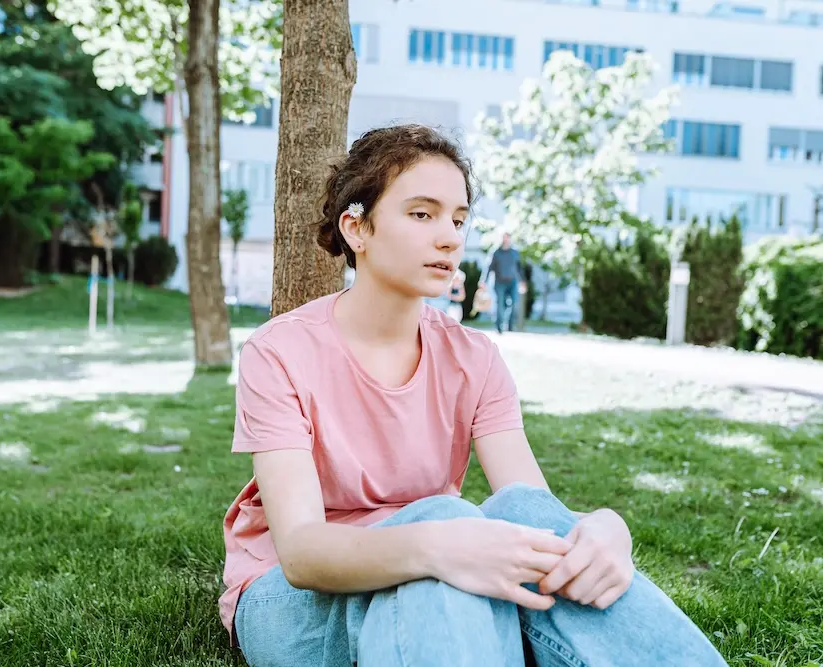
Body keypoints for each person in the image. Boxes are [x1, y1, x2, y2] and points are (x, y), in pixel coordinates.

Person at [219, 124, 728, 667]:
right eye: (422, 214)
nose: (450, 237)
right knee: (443, 517)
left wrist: (604, 529)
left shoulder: (474, 357)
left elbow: (528, 503)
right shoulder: (278, 352)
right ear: (356, 228)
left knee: (511, 515)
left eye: (459, 219)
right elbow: (302, 554)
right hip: (298, 598)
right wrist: (439, 542)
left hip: (434, 580)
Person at [483, 232, 526, 333]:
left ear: (510, 239)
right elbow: (489, 268)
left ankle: (510, 326)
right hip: (499, 282)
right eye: (503, 238)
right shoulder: (496, 252)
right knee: (500, 305)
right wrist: (483, 281)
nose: (505, 240)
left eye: (507, 238)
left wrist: (522, 281)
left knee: (514, 303)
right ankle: (499, 327)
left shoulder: (515, 253)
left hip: (513, 282)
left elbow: (519, 268)